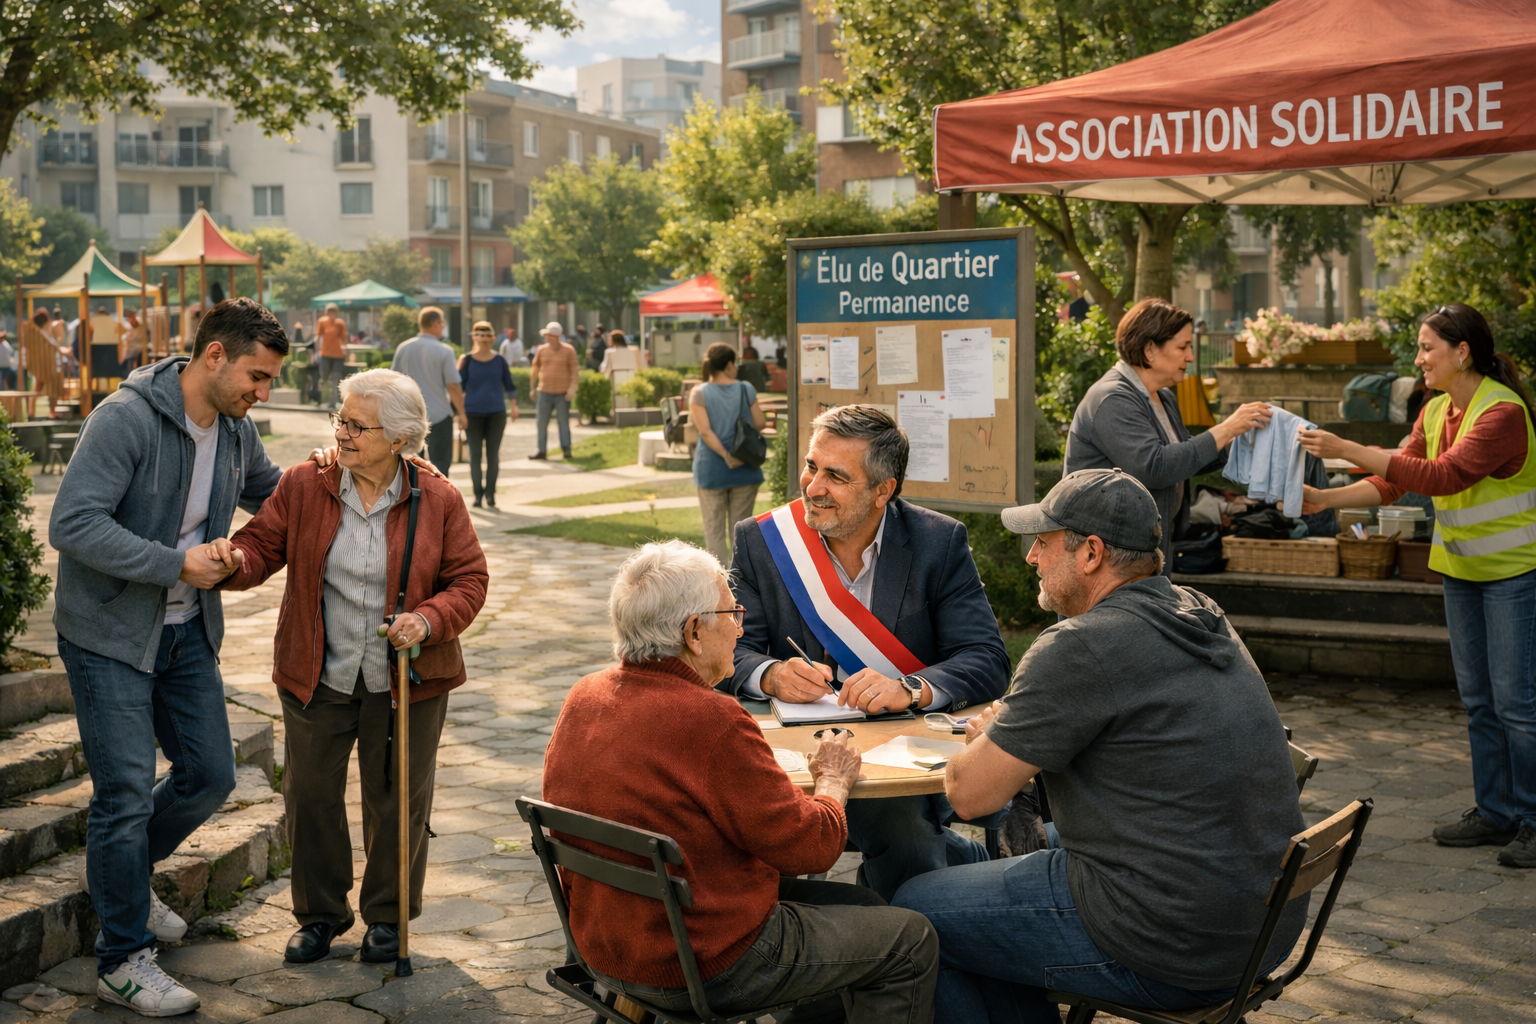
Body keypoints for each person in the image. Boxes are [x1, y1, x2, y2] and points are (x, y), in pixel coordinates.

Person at [894, 468, 1308, 1024]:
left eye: (1041, 543)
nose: (1030, 558)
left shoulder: (1081, 645)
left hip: (1172, 945)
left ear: (1091, 553)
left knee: (914, 912)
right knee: (980, 870)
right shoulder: (1198, 611)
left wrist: (993, 733)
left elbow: (969, 795)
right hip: (1258, 922)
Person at [544, 540, 939, 1023]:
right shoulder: (711, 719)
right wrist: (833, 780)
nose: (741, 628)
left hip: (607, 945)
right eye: (732, 613)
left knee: (863, 905)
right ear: (694, 631)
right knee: (910, 938)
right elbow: (811, 849)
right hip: (704, 960)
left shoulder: (584, 696)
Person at [48, 298, 290, 1017]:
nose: (263, 392)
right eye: (256, 375)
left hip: (187, 634)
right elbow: (72, 522)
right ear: (213, 355)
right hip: (109, 634)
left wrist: (356, 468)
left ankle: (122, 885)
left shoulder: (237, 429)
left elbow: (278, 492)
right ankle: (122, 958)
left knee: (210, 776)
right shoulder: (126, 418)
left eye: (271, 379)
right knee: (122, 795)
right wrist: (175, 564)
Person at [215, 368, 487, 964]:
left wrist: (429, 619)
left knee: (398, 800)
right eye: (340, 419)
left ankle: (388, 919)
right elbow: (262, 545)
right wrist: (230, 560)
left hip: (407, 680)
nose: (342, 433)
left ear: (400, 438)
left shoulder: (436, 497)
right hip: (318, 672)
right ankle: (319, 916)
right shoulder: (306, 484)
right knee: (310, 798)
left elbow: (469, 578)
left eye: (357, 425)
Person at [726, 404, 1011, 901]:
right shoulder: (763, 541)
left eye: (836, 476)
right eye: (812, 466)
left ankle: (907, 949)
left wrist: (911, 688)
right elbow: (732, 648)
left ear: (884, 491)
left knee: (901, 826)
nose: (813, 487)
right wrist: (769, 674)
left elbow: (986, 656)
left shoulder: (937, 542)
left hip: (904, 758)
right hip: (795, 759)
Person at [1299, 302, 1536, 869]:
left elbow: (1442, 477)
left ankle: (1531, 819)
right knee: (1480, 702)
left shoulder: (1501, 413)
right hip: (1462, 573)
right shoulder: (1434, 410)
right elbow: (1392, 481)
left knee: (1517, 705)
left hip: (1514, 574)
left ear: (1463, 352)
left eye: (1427, 347)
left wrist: (1346, 448)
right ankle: (1495, 812)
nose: (1418, 358)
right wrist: (1326, 499)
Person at [1066, 298, 1275, 571]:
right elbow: (1155, 466)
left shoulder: (1163, 396)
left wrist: (1235, 441)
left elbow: (1184, 456)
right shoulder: (1112, 398)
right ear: (1150, 349)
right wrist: (1226, 427)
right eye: (1183, 347)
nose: (1190, 356)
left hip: (1141, 552)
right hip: (1103, 560)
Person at [690, 343, 766, 563]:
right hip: (745, 467)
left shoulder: (699, 392)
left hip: (711, 471)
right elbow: (759, 423)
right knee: (740, 534)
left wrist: (725, 455)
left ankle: (717, 586)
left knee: (713, 532)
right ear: (730, 364)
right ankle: (740, 586)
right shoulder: (746, 388)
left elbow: (705, 431)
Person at [391, 306, 468, 477]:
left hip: (409, 416)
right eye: (442, 323)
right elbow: (453, 386)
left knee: (411, 463)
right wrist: (462, 413)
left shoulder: (403, 348)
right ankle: (439, 499)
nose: (443, 327)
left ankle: (414, 499)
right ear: (436, 323)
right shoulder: (444, 351)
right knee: (440, 463)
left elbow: (393, 382)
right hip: (439, 414)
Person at [458, 321, 520, 508]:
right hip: (472, 413)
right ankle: (478, 494)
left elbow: (509, 384)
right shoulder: (467, 360)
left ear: (493, 337)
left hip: (496, 413)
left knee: (493, 456)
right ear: (474, 336)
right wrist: (460, 415)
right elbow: (458, 388)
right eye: (479, 334)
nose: (484, 338)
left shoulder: (499, 360)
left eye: (487, 334)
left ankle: (490, 494)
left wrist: (514, 406)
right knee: (475, 455)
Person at [529, 320, 578, 461]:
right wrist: (532, 388)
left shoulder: (569, 350)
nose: (547, 337)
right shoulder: (541, 350)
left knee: (563, 422)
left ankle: (566, 449)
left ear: (556, 336)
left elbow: (574, 371)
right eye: (547, 335)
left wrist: (572, 389)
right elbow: (535, 369)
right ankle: (542, 450)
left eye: (550, 335)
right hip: (544, 391)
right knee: (541, 422)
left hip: (562, 393)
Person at [316, 302, 349, 409]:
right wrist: (316, 352)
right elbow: (318, 337)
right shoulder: (322, 321)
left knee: (336, 378)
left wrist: (346, 350)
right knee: (323, 377)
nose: (332, 313)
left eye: (333, 311)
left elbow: (344, 338)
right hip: (325, 354)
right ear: (327, 312)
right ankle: (319, 399)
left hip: (337, 355)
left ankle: (334, 401)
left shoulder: (340, 323)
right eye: (330, 311)